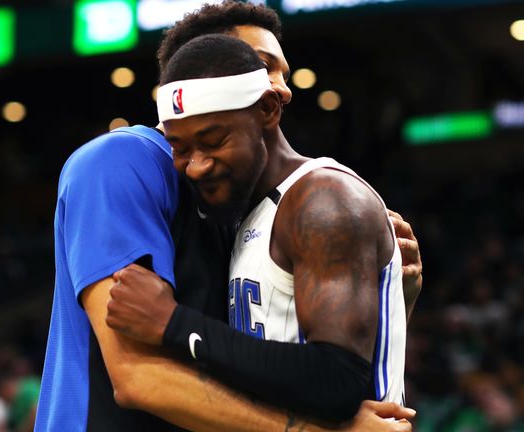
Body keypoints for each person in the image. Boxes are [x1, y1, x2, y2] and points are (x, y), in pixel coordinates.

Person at [35, 3, 421, 431]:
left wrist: (392, 300)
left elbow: (314, 362)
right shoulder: (121, 161)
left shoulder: (258, 202)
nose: (283, 89)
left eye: (283, 74)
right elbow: (138, 375)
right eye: (262, 66)